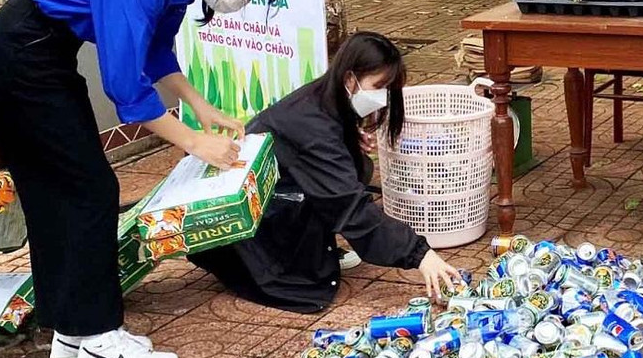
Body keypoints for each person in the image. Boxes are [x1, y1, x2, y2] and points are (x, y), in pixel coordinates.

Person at [0, 0, 286, 358]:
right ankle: (102, 343)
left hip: (38, 59)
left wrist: (202, 108)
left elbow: (156, 53)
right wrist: (196, 143)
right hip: (23, 63)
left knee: (58, 194)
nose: (246, 0)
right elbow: (126, 87)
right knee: (89, 194)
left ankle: (71, 332)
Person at [190, 32, 462, 313]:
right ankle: (279, 258)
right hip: (250, 224)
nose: (382, 97)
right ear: (349, 79)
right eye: (379, 86)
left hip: (273, 189)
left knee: (357, 165)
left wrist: (346, 137)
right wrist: (420, 255)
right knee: (311, 271)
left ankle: (312, 246)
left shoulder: (323, 96)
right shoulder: (312, 126)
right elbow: (349, 206)